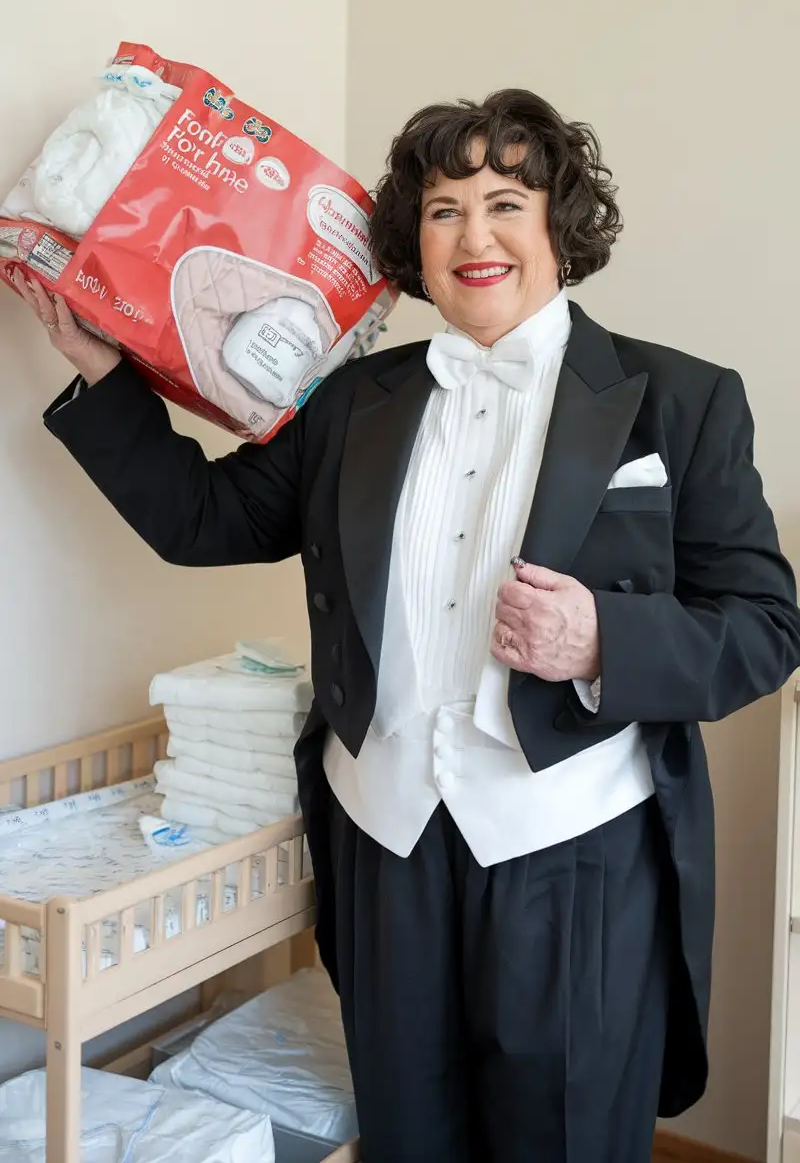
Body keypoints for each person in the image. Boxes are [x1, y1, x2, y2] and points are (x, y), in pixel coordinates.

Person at [15, 88, 800, 1163]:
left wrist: (602, 641)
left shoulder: (682, 399)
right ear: (410, 242)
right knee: (407, 1136)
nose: (473, 236)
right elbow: (203, 519)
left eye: (505, 201)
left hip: (574, 853)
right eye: (441, 210)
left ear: (558, 226)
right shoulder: (350, 402)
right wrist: (105, 376)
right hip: (383, 841)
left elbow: (761, 624)